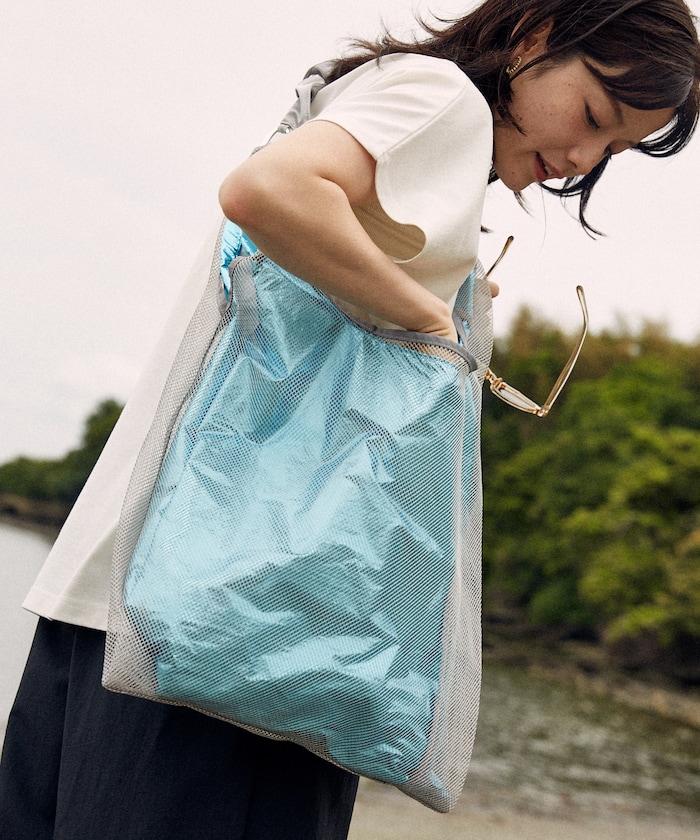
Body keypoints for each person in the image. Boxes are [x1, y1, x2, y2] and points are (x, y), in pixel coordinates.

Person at [2, 1, 698, 838]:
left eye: (614, 150)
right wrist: (430, 321)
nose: (583, 159)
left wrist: (431, 295)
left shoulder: (358, 93)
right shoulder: (444, 102)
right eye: (593, 114)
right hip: (242, 641)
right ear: (539, 36)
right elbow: (266, 191)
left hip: (115, 604)